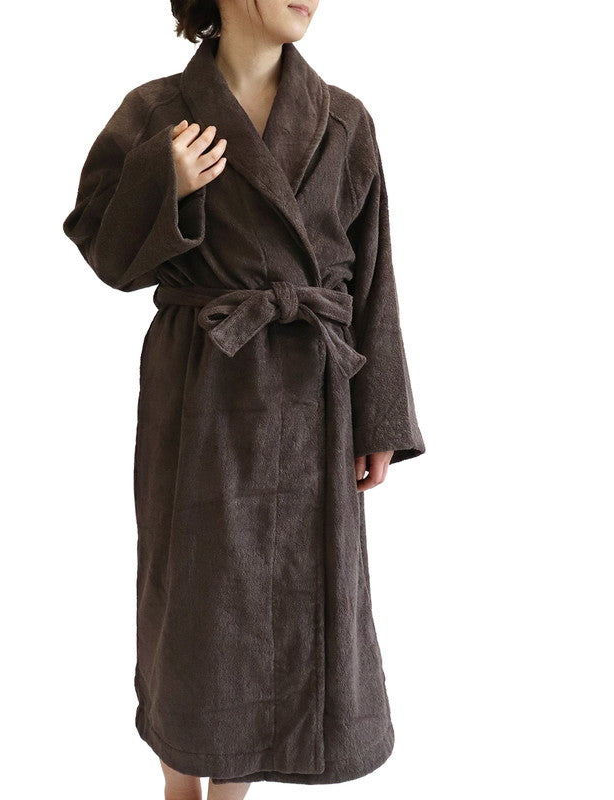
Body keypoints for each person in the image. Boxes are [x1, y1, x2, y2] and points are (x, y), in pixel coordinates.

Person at [62, 1, 426, 797]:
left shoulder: (345, 121)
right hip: (201, 389)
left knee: (287, 600)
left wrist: (381, 417)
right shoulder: (155, 113)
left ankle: (232, 789)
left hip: (313, 394)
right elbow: (104, 252)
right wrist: (164, 182)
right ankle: (178, 783)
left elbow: (373, 279)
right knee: (196, 595)